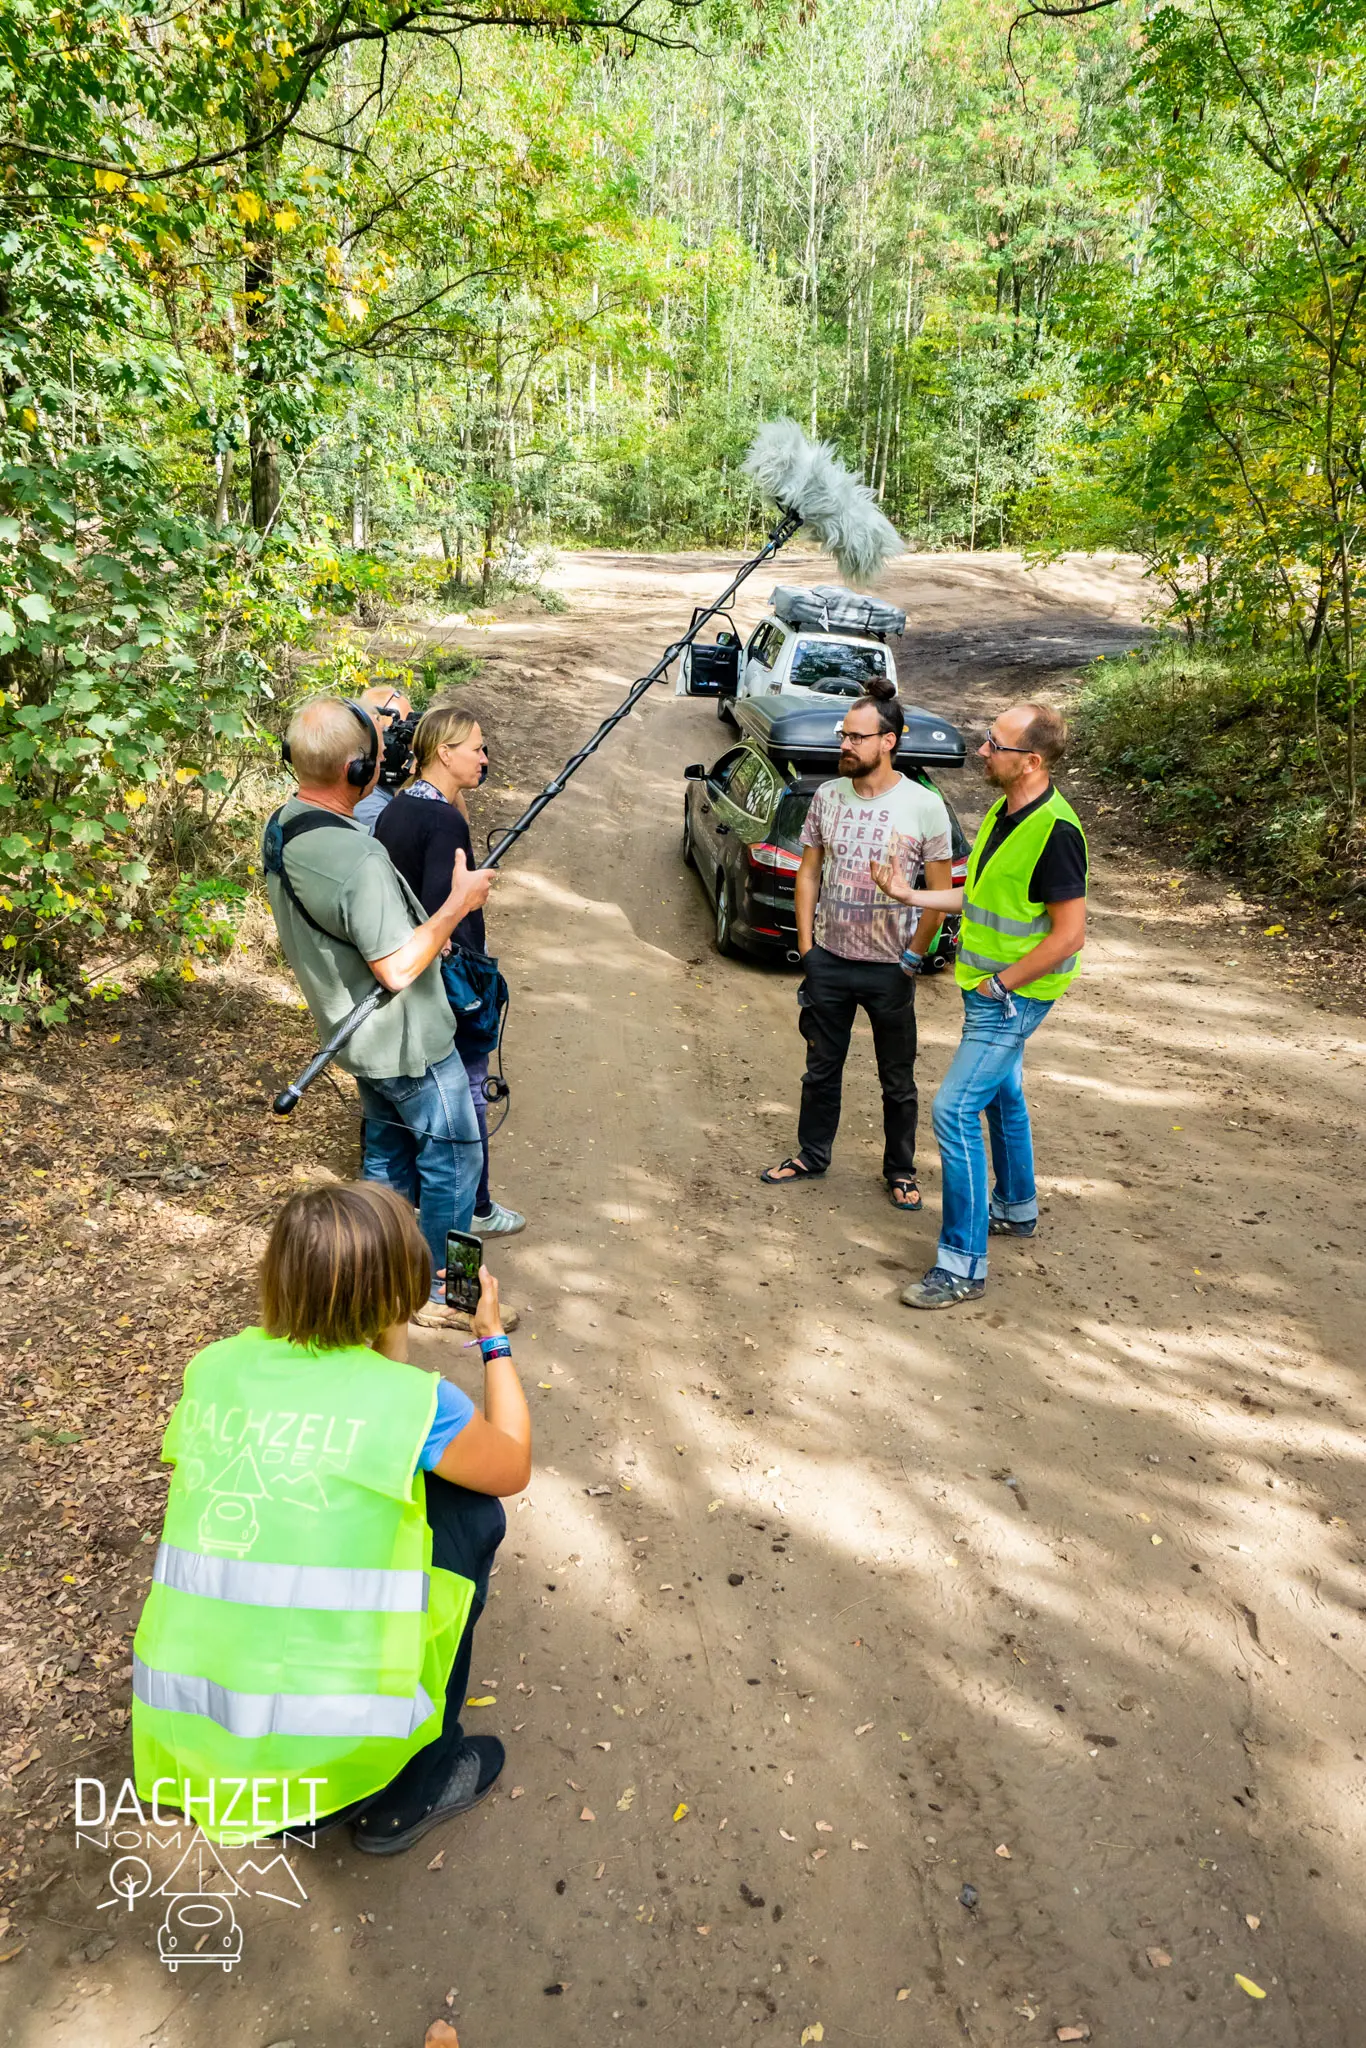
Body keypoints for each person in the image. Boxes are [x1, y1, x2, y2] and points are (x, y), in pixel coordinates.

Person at [131, 1181, 532, 1853]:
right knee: (469, 1507)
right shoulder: (418, 1403)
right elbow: (512, 1465)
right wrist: (492, 1341)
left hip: (193, 1745)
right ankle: (408, 1790)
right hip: (333, 1767)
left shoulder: (215, 1368)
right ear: (401, 1294)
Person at [263, 696, 507, 1327]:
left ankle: (381, 1283)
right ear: (355, 771)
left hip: (357, 1038)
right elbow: (398, 967)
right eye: (375, 755)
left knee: (387, 1158)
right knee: (456, 1157)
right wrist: (458, 904)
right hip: (407, 1042)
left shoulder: (286, 825)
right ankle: (444, 1295)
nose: (385, 761)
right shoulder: (356, 861)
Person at [871, 700, 1088, 1309]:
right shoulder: (1004, 810)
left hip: (1012, 997)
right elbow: (980, 897)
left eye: (996, 744)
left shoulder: (1058, 833)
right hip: (988, 987)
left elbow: (1069, 936)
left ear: (1033, 761)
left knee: (955, 1110)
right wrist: (908, 892)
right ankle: (1017, 1210)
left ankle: (962, 1265)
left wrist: (1002, 986)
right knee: (1003, 1095)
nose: (983, 751)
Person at [761, 676, 954, 1211]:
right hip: (829, 961)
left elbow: (940, 892)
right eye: (843, 735)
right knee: (821, 1067)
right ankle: (811, 1154)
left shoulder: (924, 805)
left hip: (891, 967)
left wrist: (915, 954)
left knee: (898, 1080)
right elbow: (808, 872)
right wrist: (807, 946)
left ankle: (900, 1171)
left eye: (855, 737)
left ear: (887, 741)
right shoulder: (826, 796)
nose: (843, 744)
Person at [375, 702, 526, 1237]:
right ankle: (476, 1206)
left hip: (404, 971)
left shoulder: (402, 806)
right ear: (444, 752)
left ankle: (407, 1204)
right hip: (449, 980)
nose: (485, 758)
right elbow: (448, 910)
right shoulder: (440, 821)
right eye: (477, 748)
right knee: (468, 1090)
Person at [353, 684, 414, 832]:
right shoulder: (366, 801)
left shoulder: (398, 780)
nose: (412, 739)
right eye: (403, 732)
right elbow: (408, 844)